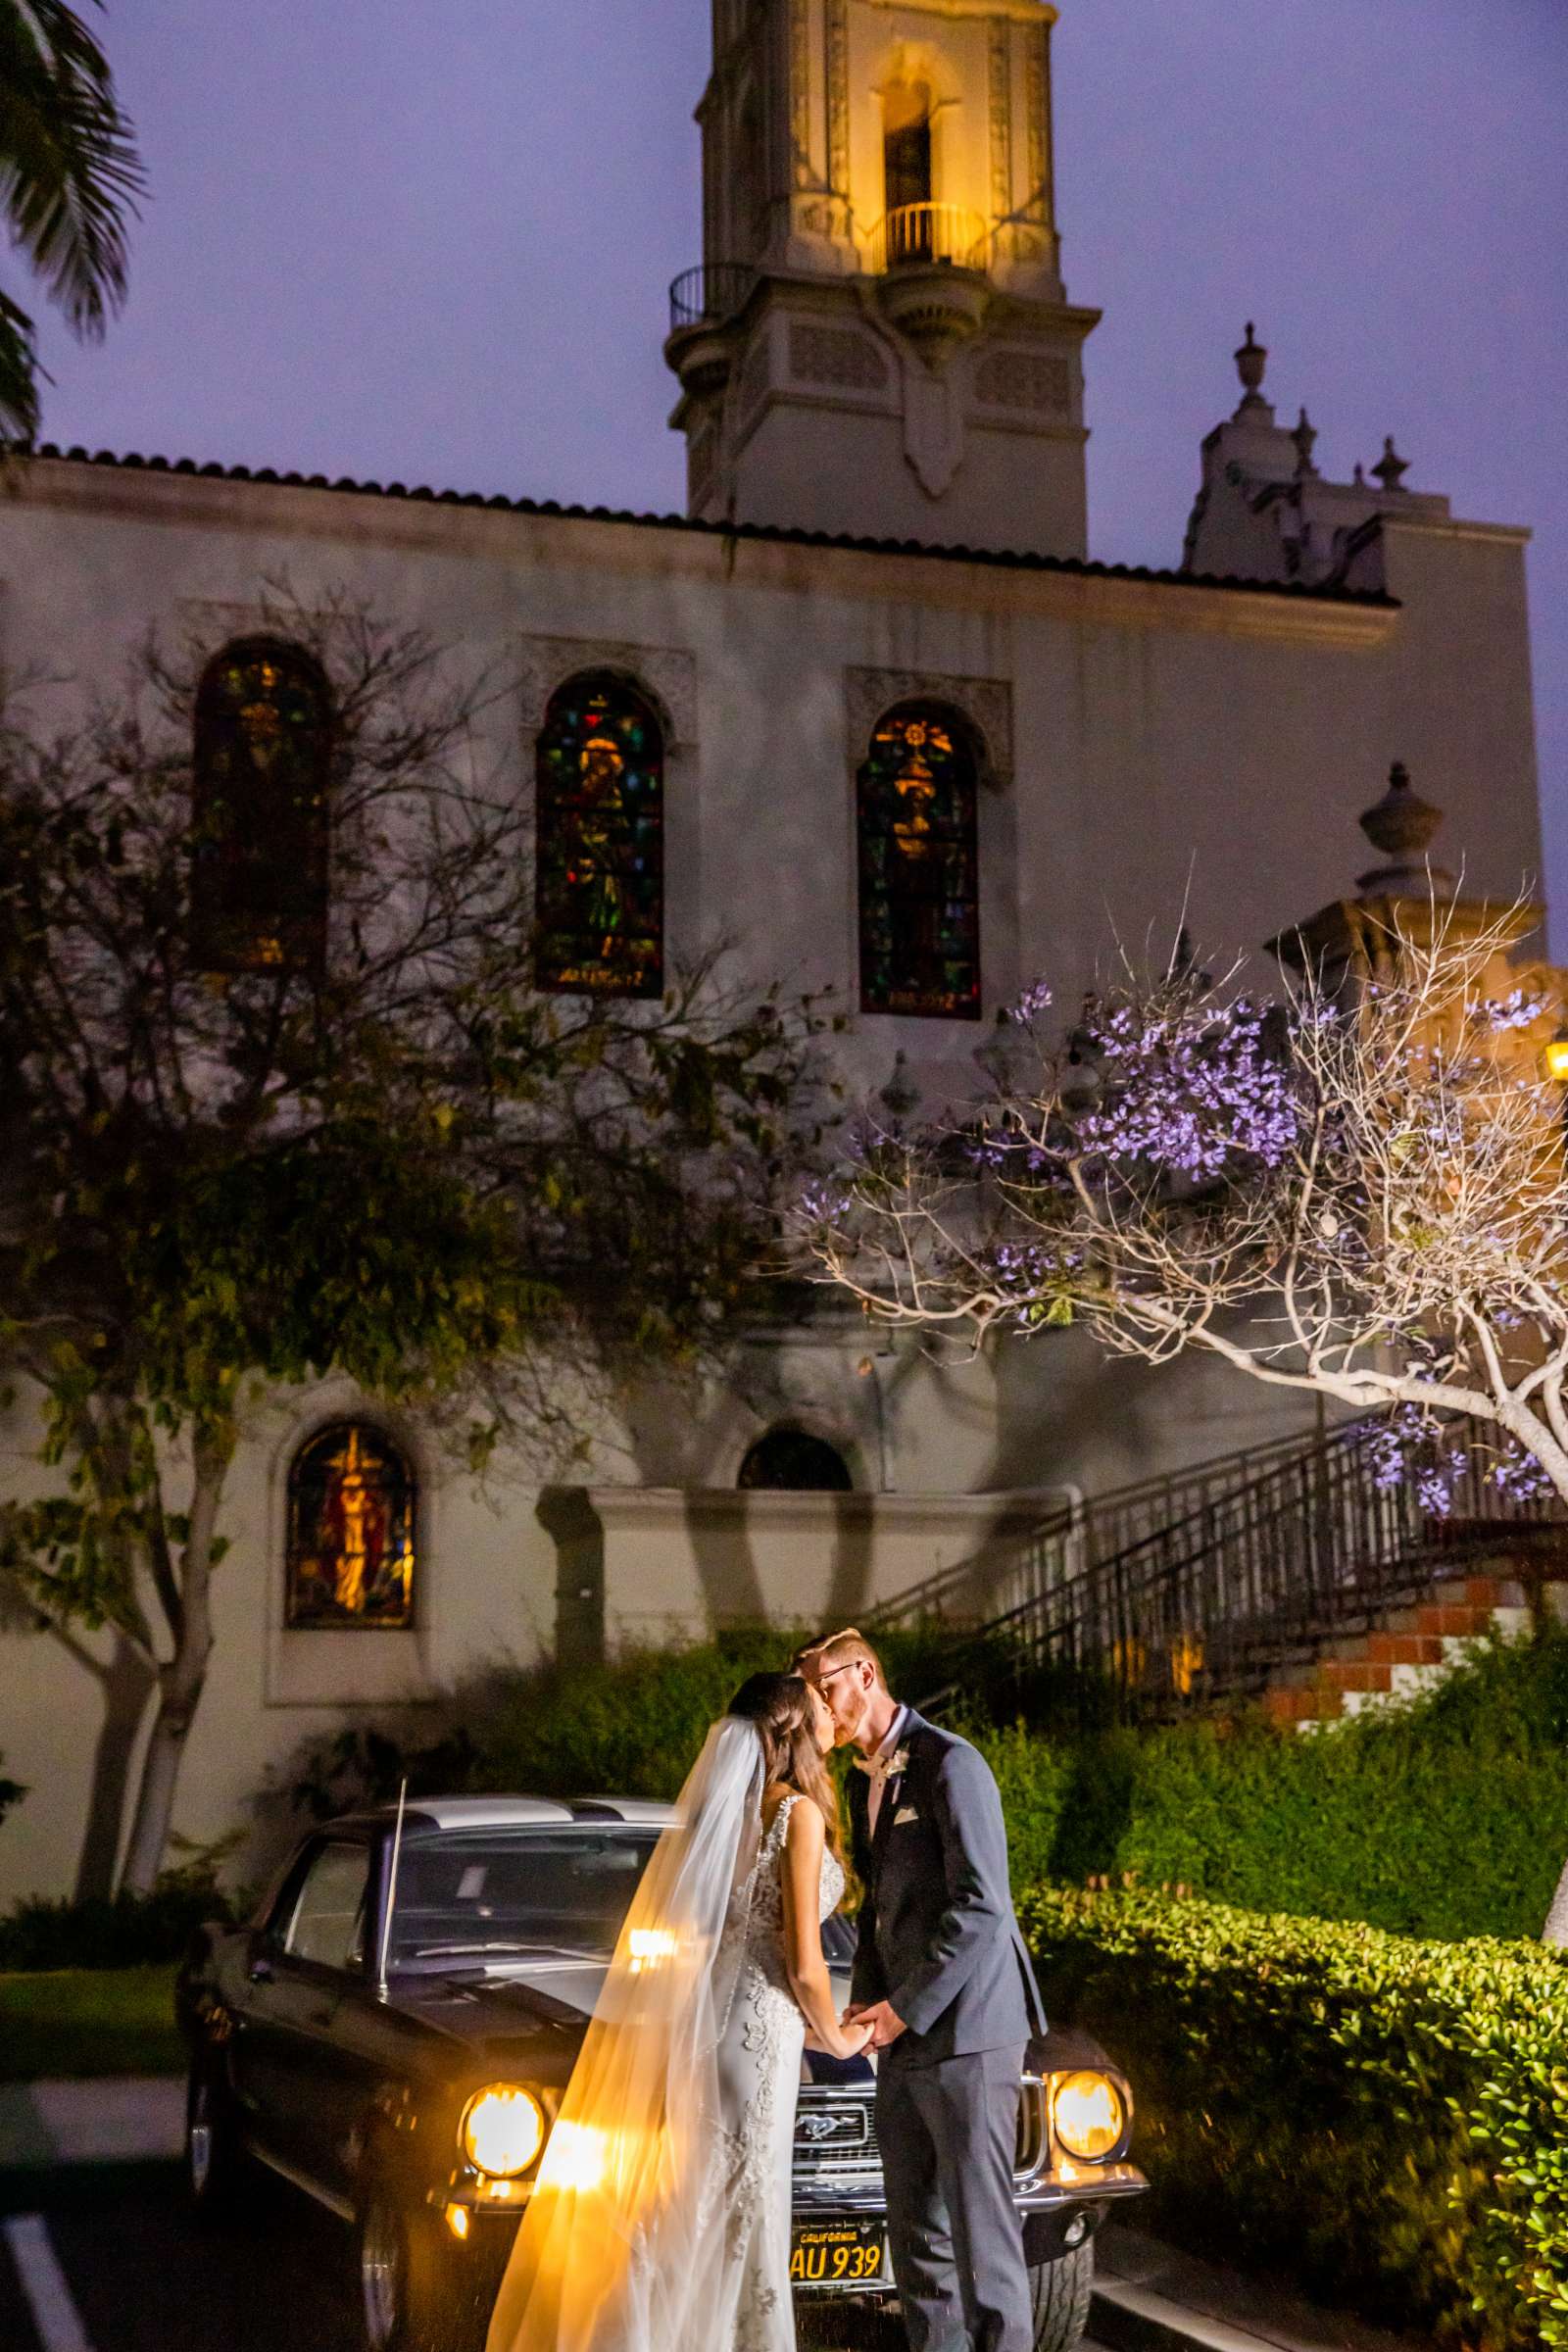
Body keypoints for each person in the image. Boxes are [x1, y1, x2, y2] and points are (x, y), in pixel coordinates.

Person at [484, 1672, 871, 2352]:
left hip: (712, 2025)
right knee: (746, 2208)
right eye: (814, 1720)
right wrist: (837, 2038)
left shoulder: (725, 1818)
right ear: (793, 1737)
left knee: (688, 2208)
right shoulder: (797, 1816)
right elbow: (807, 1963)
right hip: (761, 2037)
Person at [796, 1628, 1045, 2352]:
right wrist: (867, 2009)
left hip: (969, 2033)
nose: (821, 1708)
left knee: (983, 2249)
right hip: (900, 2040)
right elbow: (879, 1910)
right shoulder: (859, 1777)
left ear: (864, 1674)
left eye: (824, 1689)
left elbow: (983, 1905)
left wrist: (904, 2010)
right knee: (918, 2246)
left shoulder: (951, 1763)